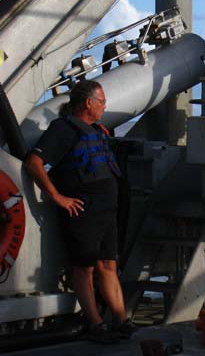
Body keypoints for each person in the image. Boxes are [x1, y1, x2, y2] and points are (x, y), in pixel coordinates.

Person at [24, 80, 136, 344]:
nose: (104, 106)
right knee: (84, 268)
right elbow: (34, 163)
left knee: (109, 265)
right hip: (84, 209)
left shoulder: (96, 130)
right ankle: (95, 324)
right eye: (102, 102)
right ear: (88, 103)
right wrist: (58, 197)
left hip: (107, 209)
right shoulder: (62, 129)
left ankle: (121, 320)